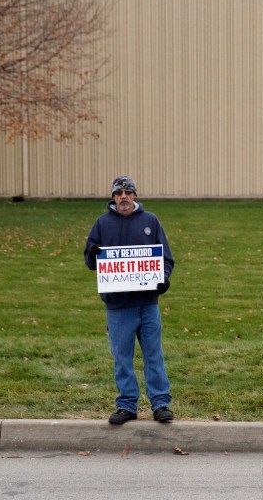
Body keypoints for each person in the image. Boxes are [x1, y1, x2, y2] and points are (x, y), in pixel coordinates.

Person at [84, 175, 175, 425]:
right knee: (122, 357)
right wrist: (92, 255)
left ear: (135, 195)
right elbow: (91, 261)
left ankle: (160, 403)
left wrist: (163, 279)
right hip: (117, 306)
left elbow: (166, 258)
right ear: (113, 197)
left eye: (128, 192)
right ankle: (126, 405)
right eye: (119, 193)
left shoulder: (150, 221)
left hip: (147, 304)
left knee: (153, 354)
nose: (123, 196)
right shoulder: (102, 224)